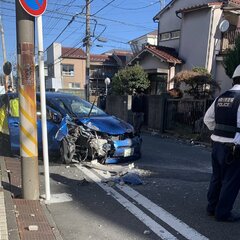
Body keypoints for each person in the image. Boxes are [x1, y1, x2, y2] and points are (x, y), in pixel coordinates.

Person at [204, 64, 240, 222]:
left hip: (217, 145)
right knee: (231, 181)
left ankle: (212, 207)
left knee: (217, 178)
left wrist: (219, 131)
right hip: (235, 147)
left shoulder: (221, 97)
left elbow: (208, 120)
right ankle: (223, 213)